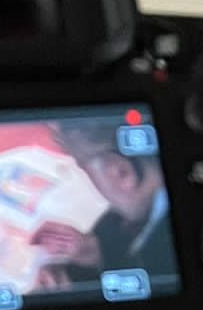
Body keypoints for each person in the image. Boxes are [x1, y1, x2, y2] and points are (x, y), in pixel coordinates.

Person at [29, 123, 174, 291]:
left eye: (85, 170)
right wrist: (94, 251)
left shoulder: (161, 269)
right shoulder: (147, 214)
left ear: (121, 172)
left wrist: (73, 291)